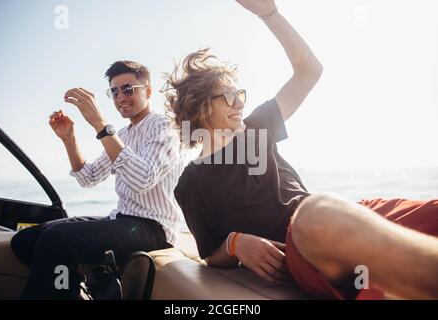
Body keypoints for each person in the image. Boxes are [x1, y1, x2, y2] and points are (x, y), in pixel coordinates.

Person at [163, 0, 438, 299]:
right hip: (304, 245)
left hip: (350, 216)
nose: (239, 101)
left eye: (239, 93)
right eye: (228, 96)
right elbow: (209, 253)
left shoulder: (257, 129)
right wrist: (234, 243)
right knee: (315, 213)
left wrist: (269, 13)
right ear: (199, 107)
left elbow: (309, 70)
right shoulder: (190, 183)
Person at [11, 60, 184, 299]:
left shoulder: (164, 128)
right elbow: (88, 177)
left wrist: (99, 124)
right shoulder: (122, 135)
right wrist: (69, 139)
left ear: (149, 91)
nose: (120, 96)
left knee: (57, 240)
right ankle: (77, 287)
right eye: (114, 91)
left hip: (153, 229)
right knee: (25, 240)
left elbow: (143, 179)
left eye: (128, 89)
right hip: (122, 220)